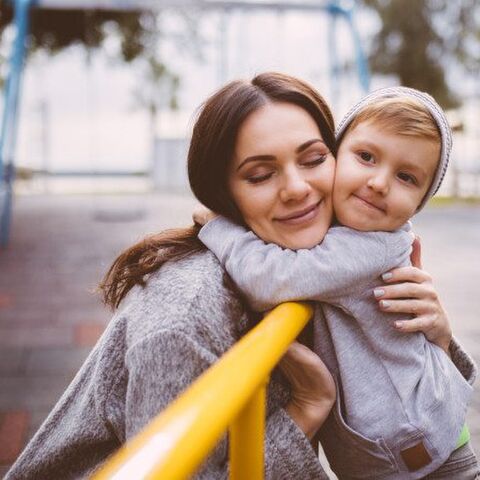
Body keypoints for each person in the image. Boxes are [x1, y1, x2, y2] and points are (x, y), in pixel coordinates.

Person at [5, 74, 468, 480]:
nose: (297, 188)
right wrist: (304, 410)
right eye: (261, 174)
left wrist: (438, 336)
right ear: (221, 190)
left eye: (312, 159)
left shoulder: (332, 256)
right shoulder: (184, 318)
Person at [194, 87, 479, 479]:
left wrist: (219, 228)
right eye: (365, 157)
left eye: (406, 177)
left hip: (419, 458)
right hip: (425, 432)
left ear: (418, 205)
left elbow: (271, 279)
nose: (379, 182)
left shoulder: (367, 247)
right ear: (337, 153)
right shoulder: (348, 231)